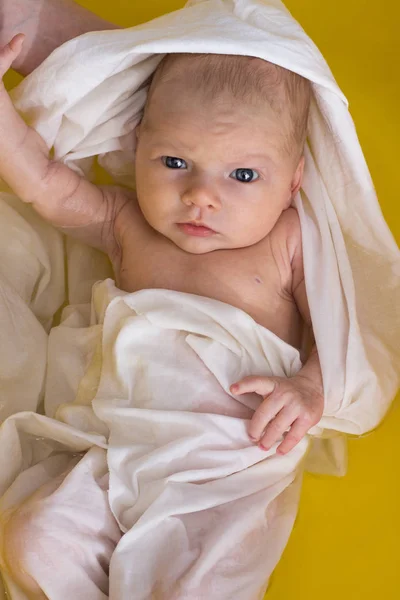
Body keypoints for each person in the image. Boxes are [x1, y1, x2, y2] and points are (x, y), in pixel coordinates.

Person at [0, 26, 325, 600]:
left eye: (243, 175)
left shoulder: (288, 241)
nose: (202, 195)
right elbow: (44, 185)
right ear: (138, 144)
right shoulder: (127, 224)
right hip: (114, 450)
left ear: (293, 181)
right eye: (174, 161)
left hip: (221, 475)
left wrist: (310, 387)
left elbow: (343, 330)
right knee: (33, 538)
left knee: (189, 587)